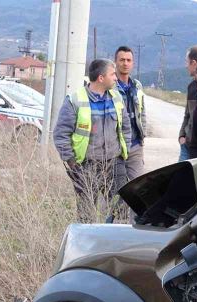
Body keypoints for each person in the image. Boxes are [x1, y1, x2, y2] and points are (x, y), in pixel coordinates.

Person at [53, 58, 132, 223]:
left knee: (121, 209)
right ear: (101, 78)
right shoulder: (75, 100)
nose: (116, 78)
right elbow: (61, 134)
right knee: (86, 212)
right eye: (112, 74)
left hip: (114, 163)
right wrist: (72, 162)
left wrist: (125, 152)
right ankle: (89, 246)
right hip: (86, 166)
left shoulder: (116, 98)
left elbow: (125, 127)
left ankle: (114, 243)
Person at [114, 46, 147, 182]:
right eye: (122, 60)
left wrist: (142, 136)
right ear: (115, 62)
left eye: (129, 60)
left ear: (133, 63)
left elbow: (142, 113)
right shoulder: (110, 86)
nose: (125, 63)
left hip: (135, 146)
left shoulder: (137, 85)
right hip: (116, 148)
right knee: (118, 190)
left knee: (139, 186)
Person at [178, 45, 197, 161]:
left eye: (187, 62)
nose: (186, 66)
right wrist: (181, 136)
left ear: (194, 63)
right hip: (187, 146)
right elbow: (187, 114)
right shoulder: (191, 87)